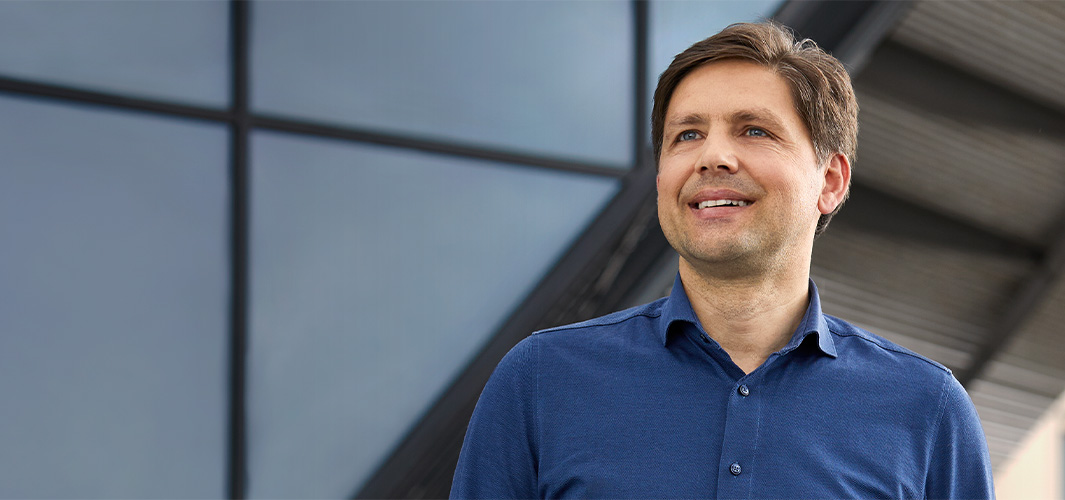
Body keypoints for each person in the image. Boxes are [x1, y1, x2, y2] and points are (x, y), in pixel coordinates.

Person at [450, 21, 994, 499]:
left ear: (829, 181)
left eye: (753, 130)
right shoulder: (542, 380)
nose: (712, 156)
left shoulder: (927, 408)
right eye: (686, 135)